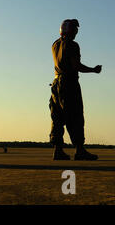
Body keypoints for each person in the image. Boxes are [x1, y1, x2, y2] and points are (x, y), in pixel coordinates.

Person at [49, 19, 102, 160]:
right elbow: (75, 65)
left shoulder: (55, 44)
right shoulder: (72, 45)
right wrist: (93, 70)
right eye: (75, 30)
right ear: (70, 30)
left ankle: (58, 150)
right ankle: (79, 150)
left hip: (56, 84)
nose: (76, 33)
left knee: (57, 117)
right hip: (69, 83)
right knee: (75, 115)